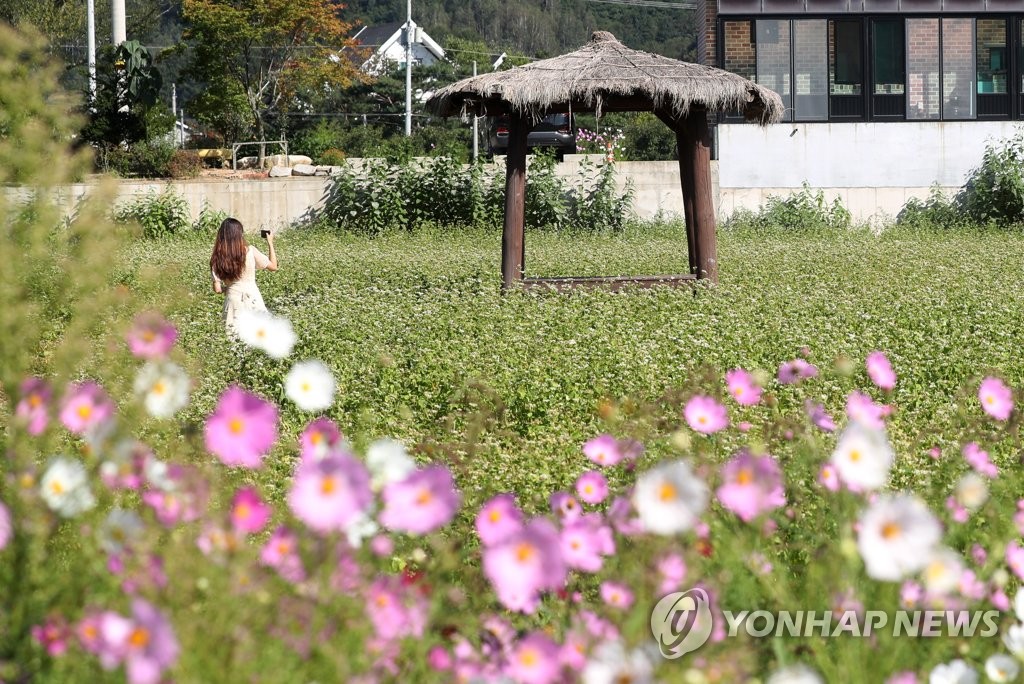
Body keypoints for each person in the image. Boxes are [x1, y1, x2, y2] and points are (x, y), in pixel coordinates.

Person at [209, 218, 278, 335]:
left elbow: (218, 289)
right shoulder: (250, 251)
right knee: (259, 336)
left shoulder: (217, 258)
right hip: (252, 296)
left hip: (232, 301)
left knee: (233, 337)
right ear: (239, 234)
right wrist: (270, 243)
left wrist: (229, 288)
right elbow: (273, 267)